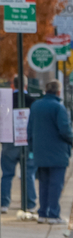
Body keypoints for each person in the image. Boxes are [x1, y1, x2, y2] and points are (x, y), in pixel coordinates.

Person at [27, 80, 73, 225]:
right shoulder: (58, 108)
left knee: (43, 183)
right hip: (57, 151)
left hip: (40, 151)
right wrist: (71, 141)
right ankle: (54, 214)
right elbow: (64, 130)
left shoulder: (35, 106)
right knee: (56, 184)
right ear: (58, 92)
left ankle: (42, 213)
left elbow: (29, 130)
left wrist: (32, 148)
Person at [1, 76, 37, 214]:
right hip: (27, 141)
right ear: (27, 86)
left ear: (12, 85)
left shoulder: (6, 102)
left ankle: (4, 204)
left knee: (7, 174)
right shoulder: (33, 102)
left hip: (8, 141)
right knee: (28, 174)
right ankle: (30, 204)